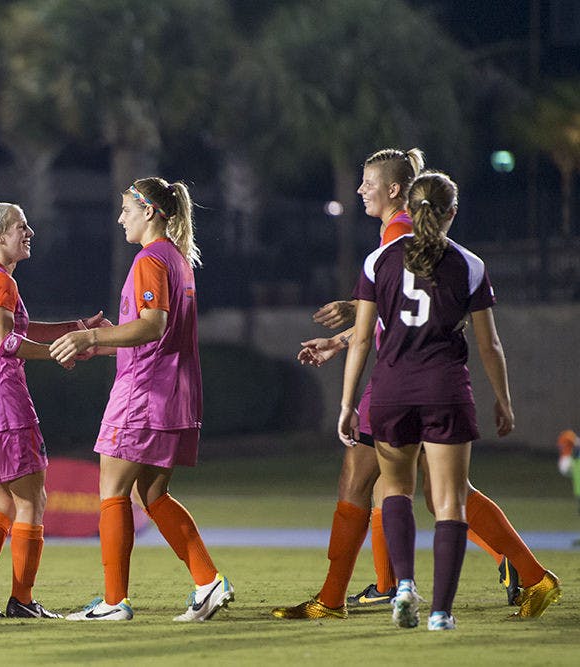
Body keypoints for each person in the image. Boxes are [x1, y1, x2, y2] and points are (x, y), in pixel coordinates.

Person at [275, 149, 557, 620]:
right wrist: (342, 339)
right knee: (430, 490)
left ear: (393, 190)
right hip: (417, 373)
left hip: (398, 375)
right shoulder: (405, 238)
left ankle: (341, 597)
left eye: (367, 182)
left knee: (373, 482)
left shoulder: (399, 236)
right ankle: (526, 576)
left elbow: (406, 316)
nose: (360, 189)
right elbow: (398, 314)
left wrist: (348, 339)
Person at [50, 178, 233, 622]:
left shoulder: (150, 260)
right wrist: (105, 344)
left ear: (149, 211)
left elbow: (152, 326)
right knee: (153, 494)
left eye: (126, 210)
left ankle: (114, 602)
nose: (120, 218)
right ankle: (209, 582)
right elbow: (161, 335)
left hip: (143, 395)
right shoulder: (177, 260)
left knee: (111, 492)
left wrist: (90, 334)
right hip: (174, 393)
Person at [0, 200, 109, 620]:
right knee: (34, 500)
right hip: (3, 404)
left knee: (2, 502)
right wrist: (58, 353)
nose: (29, 232)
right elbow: (8, 342)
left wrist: (76, 329)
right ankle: (21, 599)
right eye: (20, 226)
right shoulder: (2, 282)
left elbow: (18, 329)